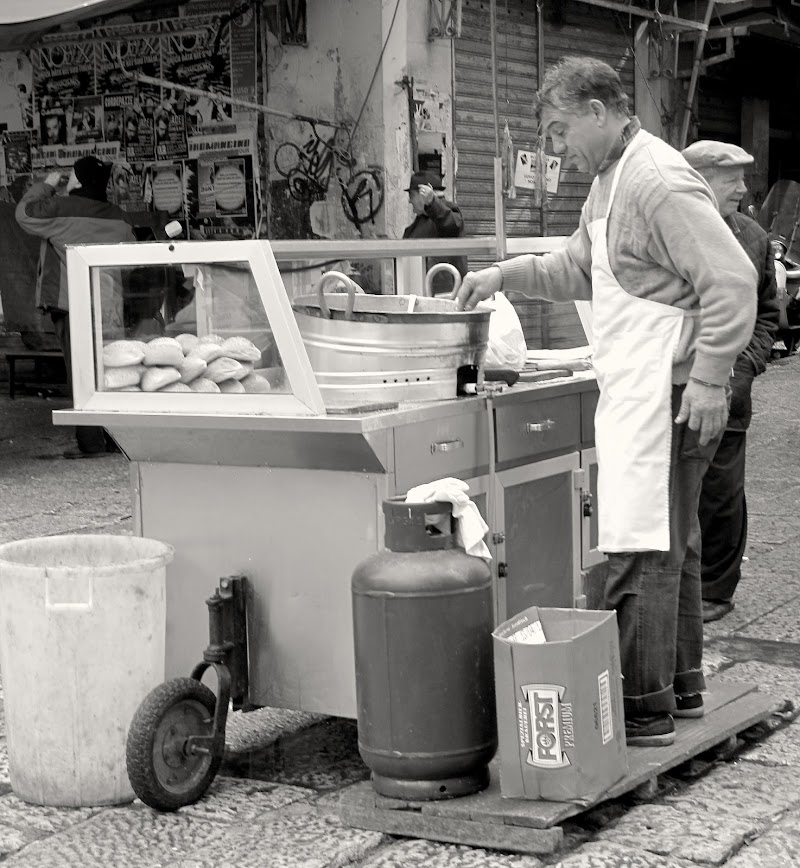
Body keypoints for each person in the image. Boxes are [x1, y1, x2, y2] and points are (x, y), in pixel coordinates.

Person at [454, 56, 758, 747]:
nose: (558, 147)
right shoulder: (609, 182)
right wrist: (503, 274)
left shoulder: (655, 179)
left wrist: (711, 378)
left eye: (561, 131)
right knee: (669, 541)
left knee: (638, 545)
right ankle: (677, 692)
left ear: (600, 111)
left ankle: (638, 709)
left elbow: (733, 282)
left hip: (671, 389)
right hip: (645, 385)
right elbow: (576, 268)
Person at [681, 141, 780, 623]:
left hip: (728, 393)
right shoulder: (670, 230)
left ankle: (716, 590)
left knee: (721, 495)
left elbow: (767, 313)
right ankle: (678, 587)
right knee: (677, 493)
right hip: (673, 386)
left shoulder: (753, 236)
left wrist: (743, 371)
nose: (744, 188)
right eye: (731, 178)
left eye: (744, 177)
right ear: (696, 178)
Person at [15, 156, 135, 459]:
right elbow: (132, 255)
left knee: (81, 374)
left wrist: (47, 186)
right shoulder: (117, 215)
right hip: (109, 306)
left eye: (71, 177)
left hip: (72, 306)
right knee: (110, 372)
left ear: (78, 181)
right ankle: (115, 439)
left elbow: (24, 215)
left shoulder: (61, 208)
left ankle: (91, 443)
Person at [402, 170, 467, 295]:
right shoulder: (420, 221)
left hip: (447, 297)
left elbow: (451, 225)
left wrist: (432, 203)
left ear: (423, 195)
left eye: (411, 196)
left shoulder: (448, 213)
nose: (410, 201)